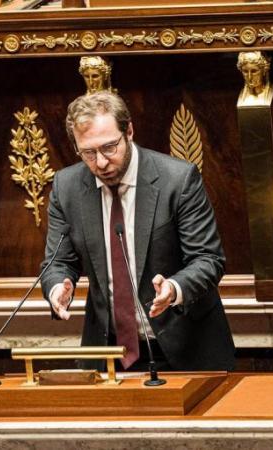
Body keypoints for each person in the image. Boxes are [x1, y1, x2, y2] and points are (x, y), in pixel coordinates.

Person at [40, 91, 235, 371]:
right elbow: (58, 261)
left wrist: (174, 288)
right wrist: (58, 287)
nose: (102, 162)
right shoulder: (66, 187)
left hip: (184, 349)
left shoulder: (178, 181)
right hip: (108, 354)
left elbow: (208, 259)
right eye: (89, 153)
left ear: (129, 131)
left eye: (109, 148)